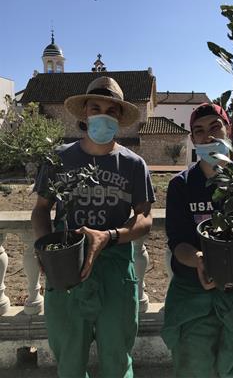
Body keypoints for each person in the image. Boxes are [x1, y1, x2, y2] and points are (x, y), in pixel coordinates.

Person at [31, 76, 155, 378]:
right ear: (85, 114)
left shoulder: (133, 164)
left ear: (120, 119)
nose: (103, 114)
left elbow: (144, 218)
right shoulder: (59, 159)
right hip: (67, 271)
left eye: (111, 110)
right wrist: (45, 248)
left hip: (115, 270)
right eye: (96, 107)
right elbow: (41, 210)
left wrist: (110, 236)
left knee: (117, 360)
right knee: (70, 361)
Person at [161, 103, 233, 378]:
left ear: (229, 130)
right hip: (193, 298)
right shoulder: (182, 185)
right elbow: (177, 242)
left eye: (215, 127)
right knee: (193, 369)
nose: (208, 136)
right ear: (192, 139)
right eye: (199, 131)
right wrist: (199, 260)